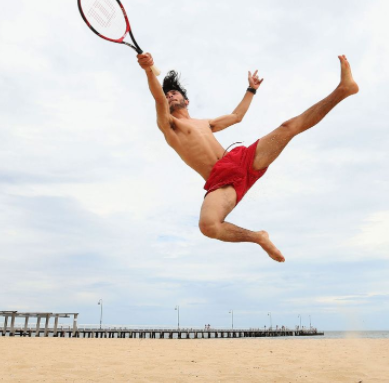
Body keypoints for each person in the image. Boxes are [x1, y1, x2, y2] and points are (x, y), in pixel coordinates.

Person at [136, 53, 359, 262]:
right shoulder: (170, 125)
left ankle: (343, 90)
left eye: (174, 93)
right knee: (208, 226)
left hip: (240, 160)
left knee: (288, 127)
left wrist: (251, 89)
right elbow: (157, 98)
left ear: (187, 100)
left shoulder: (205, 123)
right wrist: (148, 70)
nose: (170, 95)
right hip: (221, 182)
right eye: (167, 95)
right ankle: (258, 237)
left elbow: (237, 116)